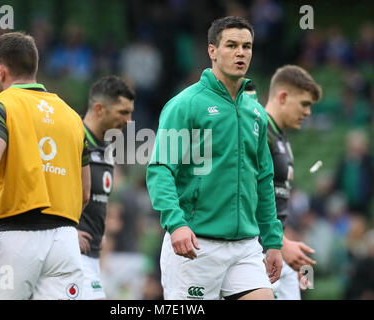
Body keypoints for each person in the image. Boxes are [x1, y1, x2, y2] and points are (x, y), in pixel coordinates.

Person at [146, 16, 283, 300]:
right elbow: (160, 169)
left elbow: (264, 179)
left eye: (247, 46)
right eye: (231, 45)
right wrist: (176, 223)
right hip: (195, 243)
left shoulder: (255, 112)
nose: (240, 52)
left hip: (245, 246)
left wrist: (272, 242)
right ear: (212, 51)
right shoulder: (185, 104)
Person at [0, 32, 91, 300]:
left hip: (14, 240)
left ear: (0, 71)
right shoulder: (73, 117)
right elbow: (85, 192)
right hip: (65, 243)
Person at [261, 65, 322, 299]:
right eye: (304, 104)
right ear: (283, 96)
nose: (307, 112)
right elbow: (246, 196)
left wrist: (287, 245)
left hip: (274, 248)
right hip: (255, 250)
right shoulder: (258, 132)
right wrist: (282, 245)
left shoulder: (281, 137)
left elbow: (276, 200)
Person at [77, 75, 135, 299]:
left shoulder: (107, 148)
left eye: (130, 113)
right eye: (123, 112)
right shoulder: (73, 138)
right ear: (99, 108)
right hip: (71, 255)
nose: (129, 121)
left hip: (93, 254)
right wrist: (66, 232)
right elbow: (44, 187)